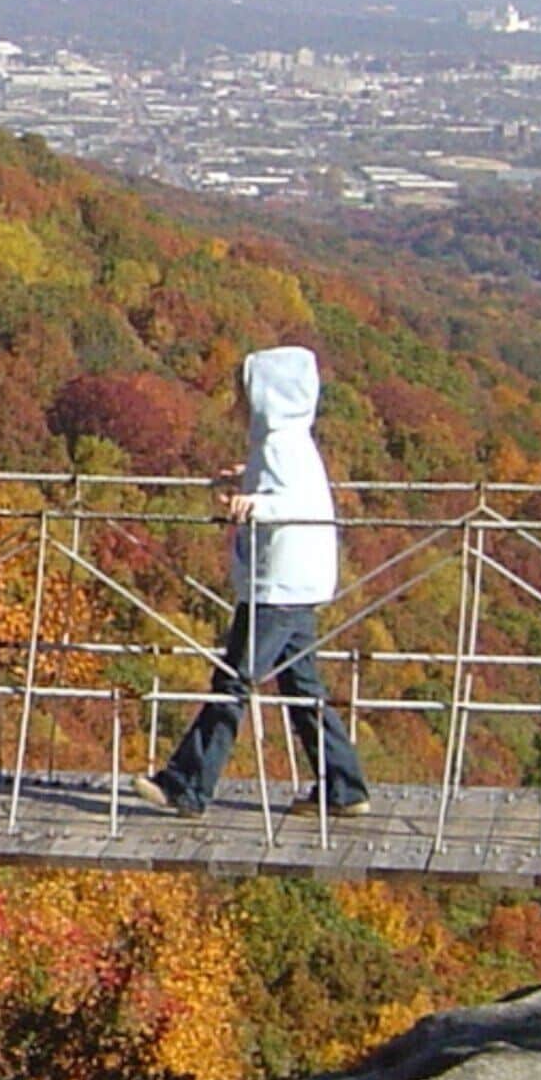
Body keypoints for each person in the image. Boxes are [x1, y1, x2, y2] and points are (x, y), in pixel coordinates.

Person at [149, 344, 369, 819]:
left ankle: (187, 784)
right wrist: (248, 478)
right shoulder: (290, 439)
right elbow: (297, 491)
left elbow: (292, 503)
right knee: (301, 687)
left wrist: (254, 504)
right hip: (298, 584)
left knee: (233, 681)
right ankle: (344, 786)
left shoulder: (277, 444)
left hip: (278, 585)